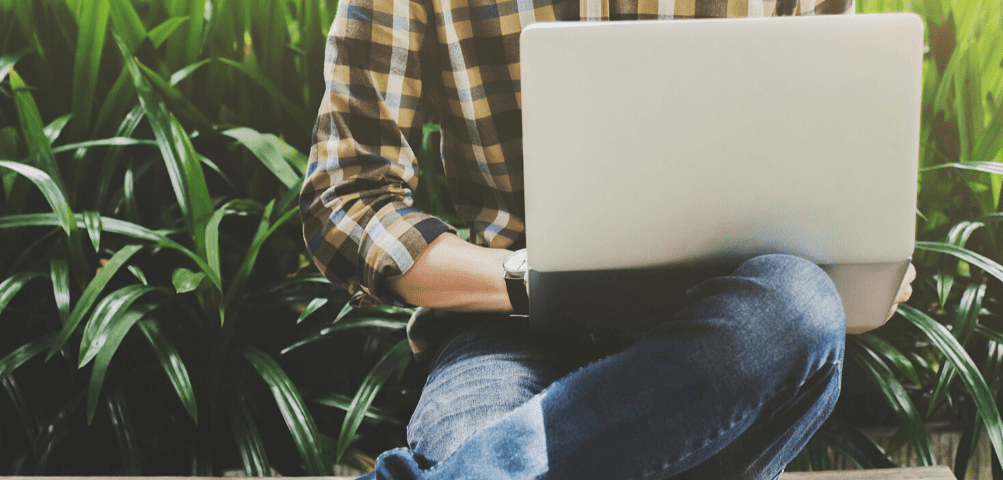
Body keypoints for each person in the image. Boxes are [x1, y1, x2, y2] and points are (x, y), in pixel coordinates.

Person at [300, 0, 918, 478]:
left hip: (726, 341)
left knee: (800, 306)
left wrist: (860, 261)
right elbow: (348, 198)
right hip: (504, 333)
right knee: (484, 452)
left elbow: (834, 157)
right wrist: (530, 282)